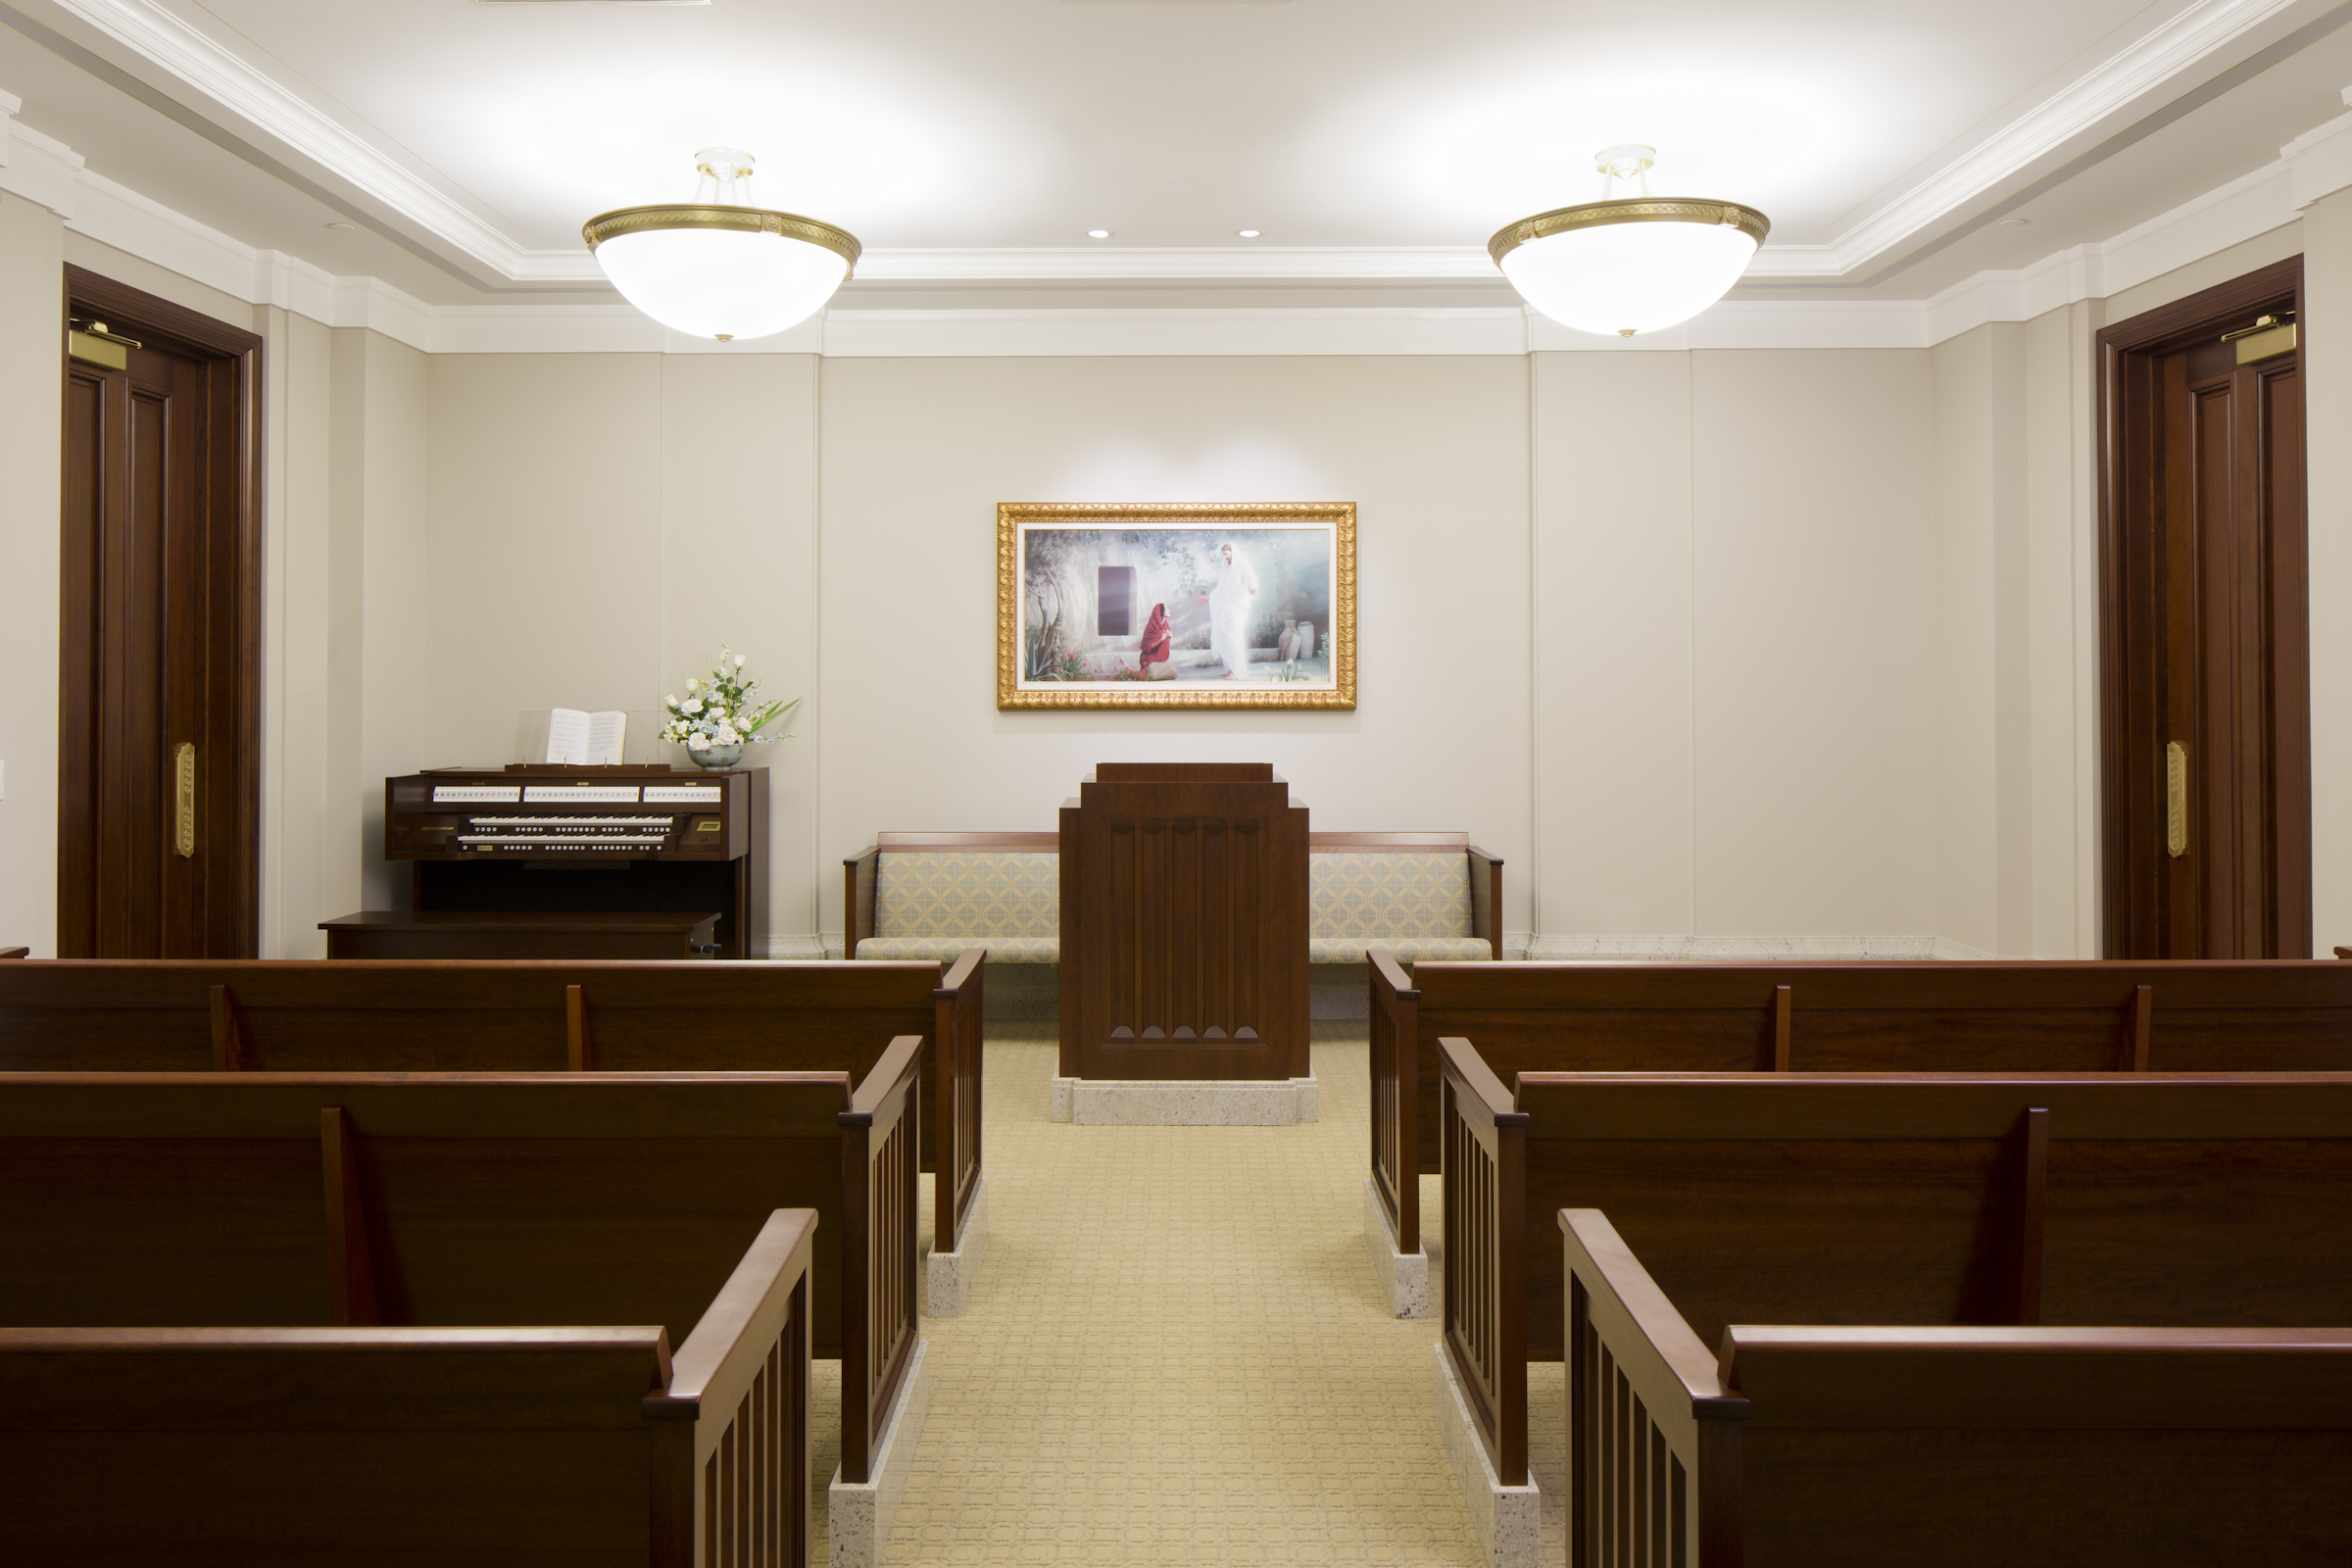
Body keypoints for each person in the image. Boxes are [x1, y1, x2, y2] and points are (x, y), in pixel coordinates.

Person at [1198, 542, 1258, 680]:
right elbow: (1221, 589)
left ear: (1233, 552)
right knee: (1225, 639)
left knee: (1233, 639)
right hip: (1225, 609)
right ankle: (1231, 668)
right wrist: (1208, 598)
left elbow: (1251, 580)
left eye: (1226, 554)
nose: (1225, 557)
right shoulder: (1226, 569)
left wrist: (1252, 588)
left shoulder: (1243, 565)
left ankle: (1238, 671)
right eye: (1223, 554)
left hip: (1237, 609)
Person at [1139, 601, 1172, 672]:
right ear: (1160, 612)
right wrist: (1161, 639)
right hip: (1148, 656)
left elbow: (1165, 644)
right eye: (1167, 608)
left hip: (1160, 656)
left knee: (1172, 672)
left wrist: (1170, 636)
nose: (1170, 610)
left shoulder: (1166, 626)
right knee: (1153, 673)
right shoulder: (1151, 627)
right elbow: (1146, 647)